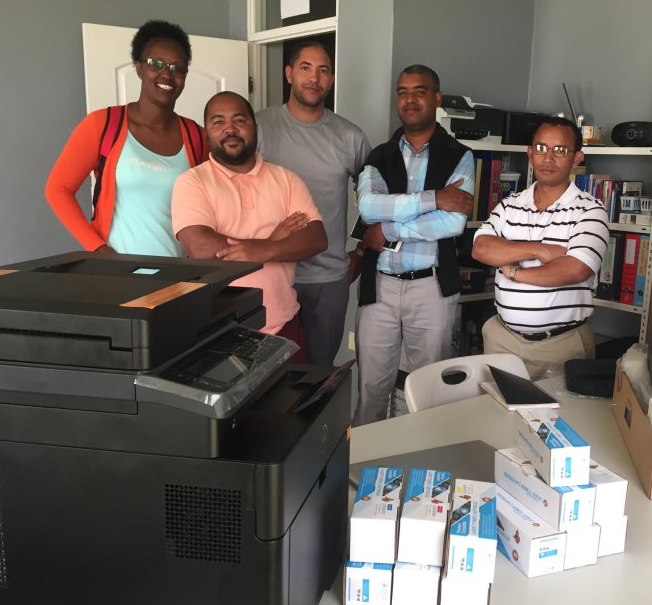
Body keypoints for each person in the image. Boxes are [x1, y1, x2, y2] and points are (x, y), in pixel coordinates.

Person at [353, 65, 475, 425]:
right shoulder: (379, 155)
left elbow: (452, 223)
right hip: (381, 289)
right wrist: (434, 198)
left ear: (436, 98)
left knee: (429, 391)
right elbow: (368, 206)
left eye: (419, 91)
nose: (409, 99)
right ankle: (365, 471)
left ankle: (423, 471)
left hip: (432, 287)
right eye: (402, 91)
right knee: (371, 389)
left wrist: (388, 231)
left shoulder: (459, 156)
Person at [170, 91, 327, 359]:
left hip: (283, 325)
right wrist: (273, 243)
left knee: (290, 401)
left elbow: (316, 238)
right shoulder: (192, 182)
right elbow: (201, 246)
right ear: (207, 133)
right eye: (218, 122)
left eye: (239, 120)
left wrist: (263, 249)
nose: (229, 128)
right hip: (219, 332)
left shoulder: (287, 180)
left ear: (254, 127)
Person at [46, 20, 207, 255]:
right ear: (139, 67)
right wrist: (98, 249)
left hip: (180, 276)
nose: (167, 74)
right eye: (156, 63)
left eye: (177, 68)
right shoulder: (102, 125)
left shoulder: (197, 136)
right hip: (119, 277)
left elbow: (212, 202)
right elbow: (58, 189)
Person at [256, 40, 372, 365]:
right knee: (267, 377)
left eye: (323, 71)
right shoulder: (259, 128)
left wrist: (360, 251)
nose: (314, 78)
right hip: (271, 274)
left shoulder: (350, 137)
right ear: (289, 73)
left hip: (328, 279)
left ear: (331, 79)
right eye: (305, 68)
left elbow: (377, 199)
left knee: (317, 376)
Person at [472, 116, 609, 380]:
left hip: (559, 346)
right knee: (495, 417)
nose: (548, 158)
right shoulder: (510, 204)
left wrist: (513, 272)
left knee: (556, 421)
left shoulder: (590, 210)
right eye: (541, 148)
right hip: (502, 340)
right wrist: (538, 250)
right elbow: (481, 248)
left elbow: (575, 269)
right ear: (529, 154)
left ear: (576, 158)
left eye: (560, 151)